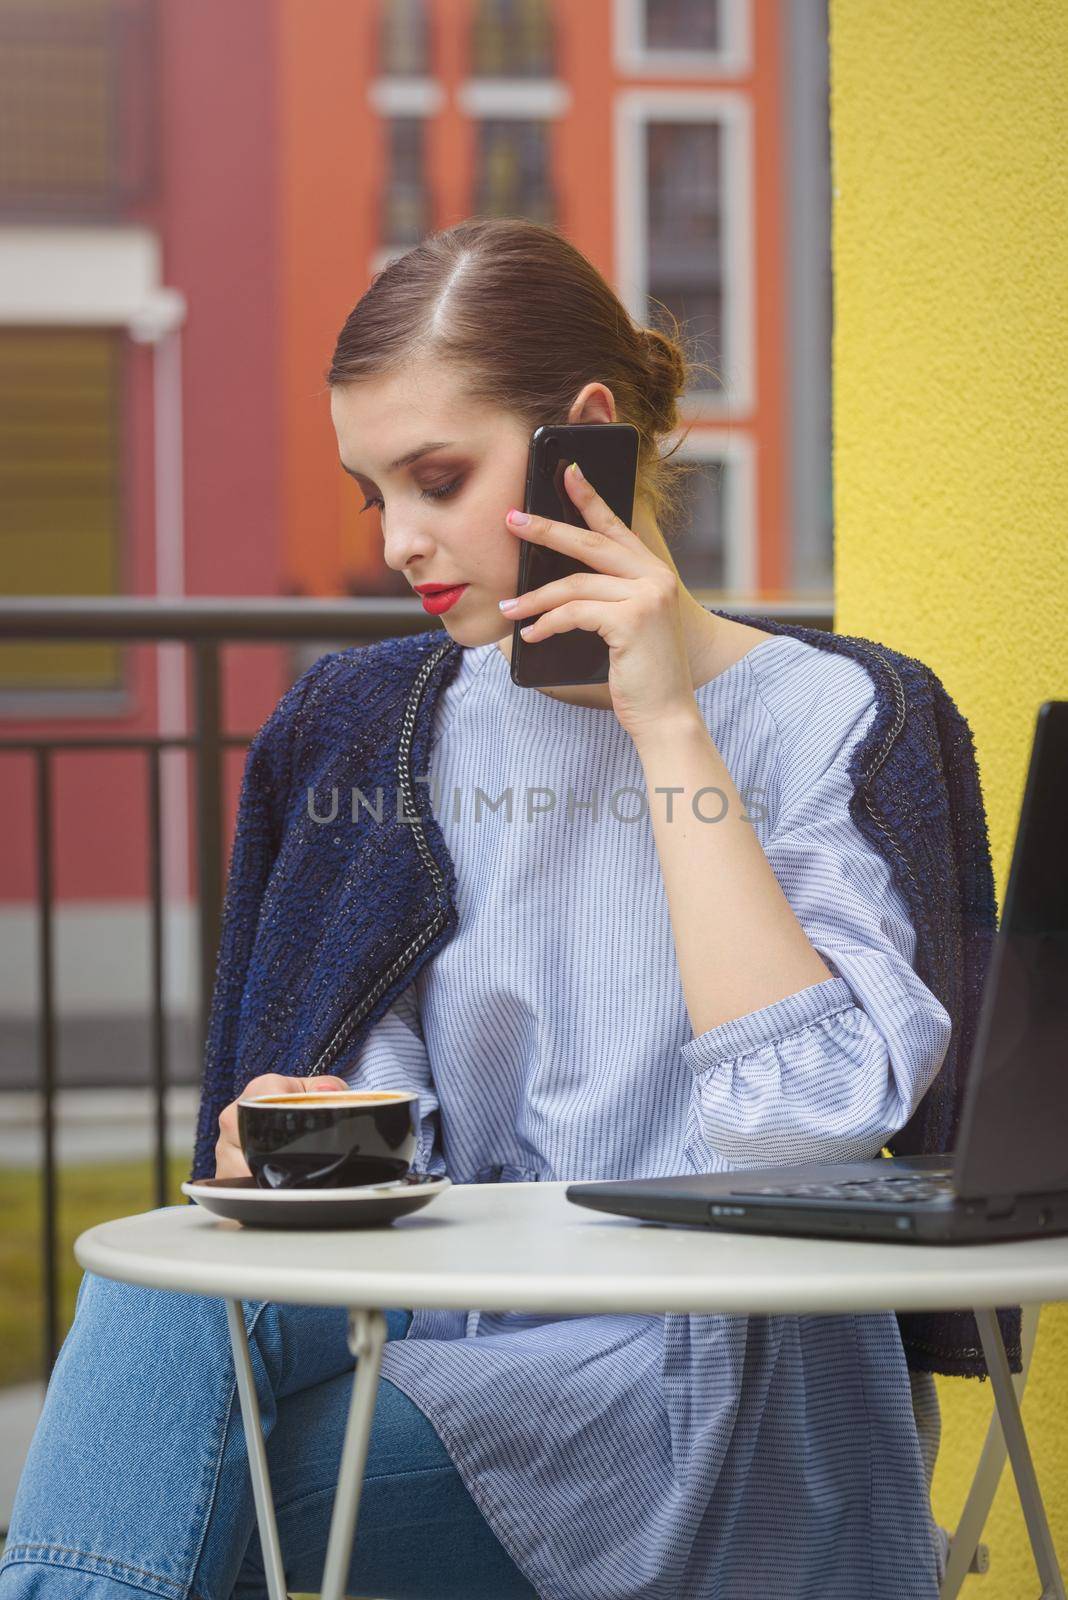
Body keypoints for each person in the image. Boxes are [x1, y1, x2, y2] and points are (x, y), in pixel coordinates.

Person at [0, 218, 952, 1599]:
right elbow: (390, 1146)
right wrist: (300, 1141)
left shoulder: (839, 716)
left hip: (704, 1390)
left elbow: (799, 1127)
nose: (398, 541)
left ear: (589, 438)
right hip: (441, 1331)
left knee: (178, 1510)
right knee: (166, 1292)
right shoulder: (393, 728)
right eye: (371, 491)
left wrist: (667, 724)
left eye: (439, 478)